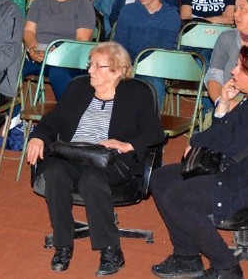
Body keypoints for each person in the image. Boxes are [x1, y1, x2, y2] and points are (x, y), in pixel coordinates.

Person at [150, 43, 248, 279]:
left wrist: (196, 139)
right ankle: (187, 256)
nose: (233, 71)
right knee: (162, 178)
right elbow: (229, 135)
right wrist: (222, 104)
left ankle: (226, 266)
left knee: (177, 199)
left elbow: (226, 141)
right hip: (241, 167)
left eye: (240, 68)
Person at [27, 42, 164, 275]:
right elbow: (55, 119)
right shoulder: (78, 88)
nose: (90, 70)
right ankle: (63, 244)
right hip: (74, 154)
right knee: (54, 172)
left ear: (118, 70)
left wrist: (126, 144)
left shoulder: (136, 93)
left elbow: (155, 132)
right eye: (90, 64)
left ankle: (111, 249)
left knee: (91, 179)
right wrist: (38, 136)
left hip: (112, 160)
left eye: (97, 66)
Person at [23, 0, 96, 99]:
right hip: (39, 55)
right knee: (13, 67)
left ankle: (67, 115)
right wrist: (33, 48)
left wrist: (58, 52)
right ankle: (15, 113)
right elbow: (29, 30)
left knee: (58, 72)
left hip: (68, 59)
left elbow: (82, 39)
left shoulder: (83, 4)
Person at [113, 0, 182, 105]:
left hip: (154, 68)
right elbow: (119, 44)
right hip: (128, 64)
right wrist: (125, 65)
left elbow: (165, 50)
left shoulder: (171, 16)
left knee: (154, 83)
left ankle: (150, 123)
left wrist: (141, 66)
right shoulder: (128, 11)